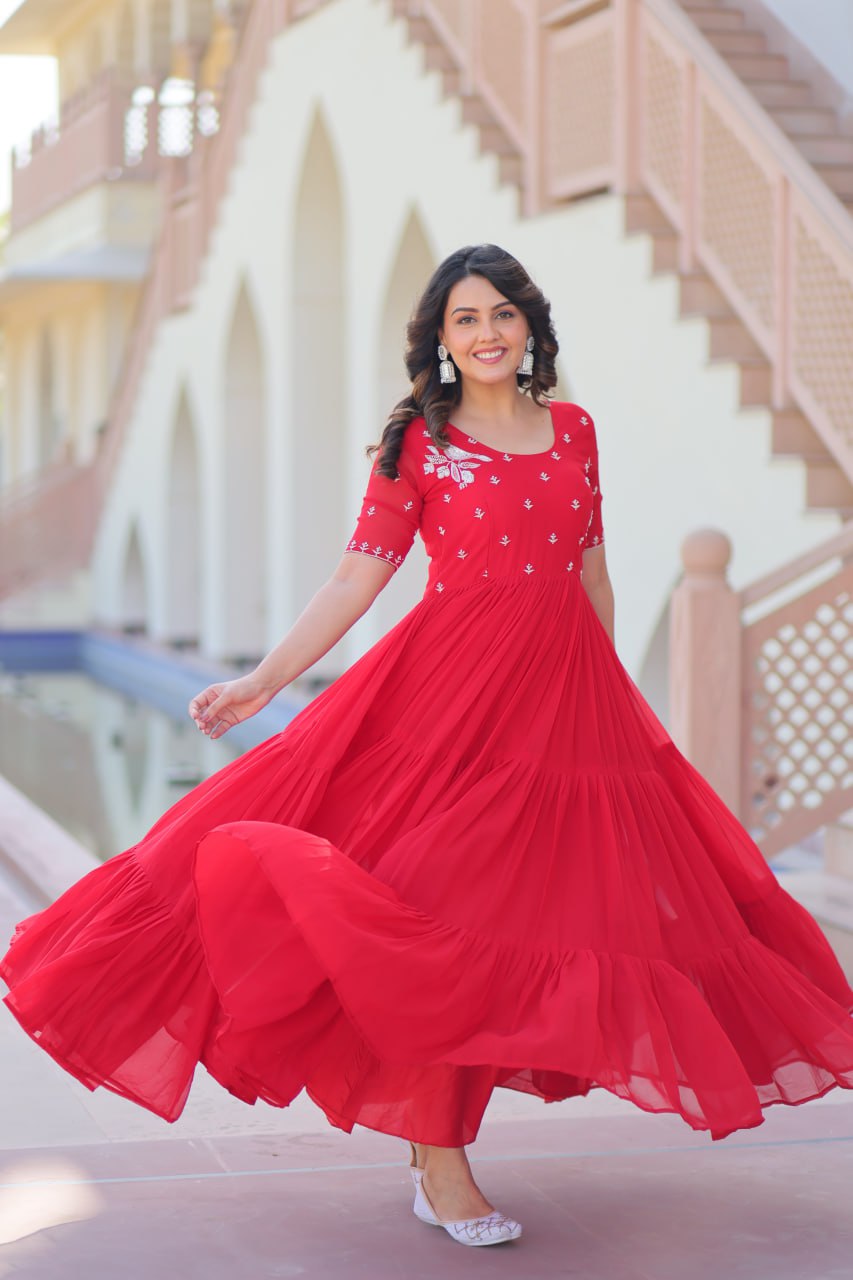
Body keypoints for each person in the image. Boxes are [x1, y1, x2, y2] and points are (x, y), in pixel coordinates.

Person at [3, 245, 853, 1250]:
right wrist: (261, 681)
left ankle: (433, 1146)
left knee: (529, 925)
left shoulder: (574, 429)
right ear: (440, 341)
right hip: (446, 708)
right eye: (464, 318)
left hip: (564, 711)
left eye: (501, 312)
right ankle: (438, 1161)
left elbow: (592, 573)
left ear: (529, 325)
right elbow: (355, 578)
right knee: (437, 920)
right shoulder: (417, 441)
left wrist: (609, 698)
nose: (486, 331)